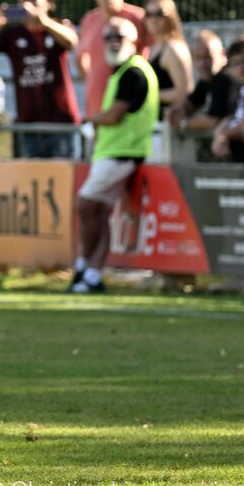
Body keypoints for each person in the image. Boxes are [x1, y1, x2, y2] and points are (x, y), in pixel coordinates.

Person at [71, 17, 159, 293]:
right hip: (114, 153)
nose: (112, 42)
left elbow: (114, 115)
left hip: (122, 154)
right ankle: (91, 275)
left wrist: (92, 120)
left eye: (118, 37)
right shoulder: (122, 72)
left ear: (134, 41)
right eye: (107, 37)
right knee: (98, 211)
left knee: (85, 204)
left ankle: (84, 266)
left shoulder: (133, 72)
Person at [0, 0, 81, 158]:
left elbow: (71, 41)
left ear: (48, 3)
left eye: (33, 1)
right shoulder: (13, 34)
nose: (27, 7)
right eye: (22, 2)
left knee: (62, 175)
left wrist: (43, 20)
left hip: (60, 124)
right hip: (28, 125)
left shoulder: (58, 27)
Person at [76, 0, 149, 120]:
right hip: (96, 109)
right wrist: (92, 81)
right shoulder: (88, 21)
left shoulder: (139, 19)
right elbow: (80, 57)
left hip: (128, 111)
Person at [169, 29, 232, 137]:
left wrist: (183, 124)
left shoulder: (225, 79)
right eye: (198, 58)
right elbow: (190, 104)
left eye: (208, 57)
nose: (202, 64)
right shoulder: (208, 79)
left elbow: (214, 120)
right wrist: (176, 111)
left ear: (222, 54)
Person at [141, 0, 194, 118]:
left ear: (171, 17)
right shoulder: (153, 48)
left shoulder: (173, 49)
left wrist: (147, 95)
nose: (153, 19)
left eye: (159, 14)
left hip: (169, 123)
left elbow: (184, 92)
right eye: (149, 14)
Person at [210, 38, 244, 163]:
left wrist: (229, 133)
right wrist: (220, 133)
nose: (241, 68)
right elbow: (238, 117)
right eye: (235, 63)